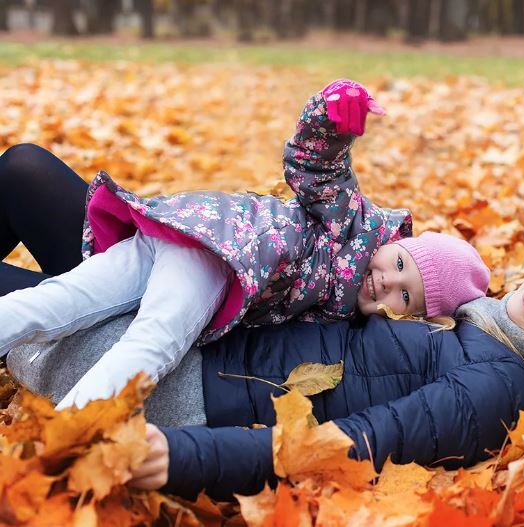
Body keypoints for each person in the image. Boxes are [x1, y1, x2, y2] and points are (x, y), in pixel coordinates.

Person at [0, 143, 524, 502]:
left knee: (23, 244)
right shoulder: (468, 321)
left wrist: (185, 457)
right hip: (204, 324)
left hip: (176, 378)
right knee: (26, 171)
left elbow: (361, 442)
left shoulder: (501, 387)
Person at [0, 79, 490, 412]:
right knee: (151, 343)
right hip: (221, 259)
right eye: (400, 263)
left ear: (414, 321)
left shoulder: (348, 316)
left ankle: (64, 425)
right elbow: (315, 164)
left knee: (59, 301)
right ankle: (69, 430)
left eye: (404, 295)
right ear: (397, 240)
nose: (386, 280)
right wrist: (333, 113)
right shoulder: (353, 224)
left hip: (176, 236)